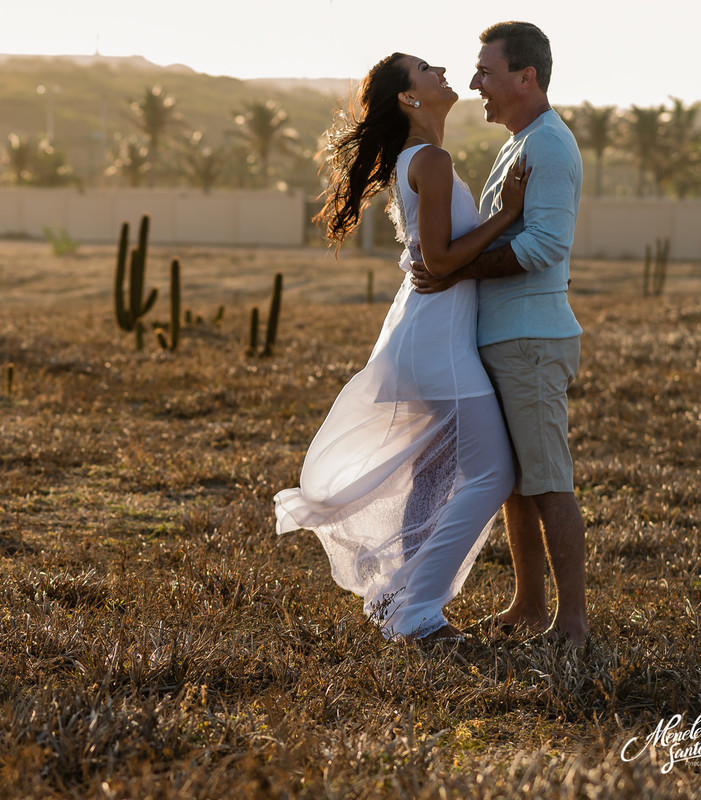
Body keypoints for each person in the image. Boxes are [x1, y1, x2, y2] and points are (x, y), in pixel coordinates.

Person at [274, 52, 529, 642]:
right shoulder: (431, 159)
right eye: (425, 69)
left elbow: (434, 257)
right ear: (409, 99)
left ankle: (397, 599)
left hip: (427, 336)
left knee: (429, 478)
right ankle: (416, 612)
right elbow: (439, 259)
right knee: (492, 474)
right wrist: (508, 215)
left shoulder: (422, 159)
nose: (440, 69)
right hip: (437, 342)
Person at [411, 21, 587, 645]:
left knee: (547, 478)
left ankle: (572, 621)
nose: (476, 82)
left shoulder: (550, 147)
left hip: (531, 341)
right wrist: (454, 269)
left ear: (525, 77)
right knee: (515, 484)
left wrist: (453, 269)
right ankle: (528, 606)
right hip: (504, 338)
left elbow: (544, 244)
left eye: (486, 71)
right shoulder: (518, 145)